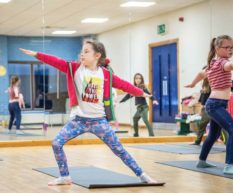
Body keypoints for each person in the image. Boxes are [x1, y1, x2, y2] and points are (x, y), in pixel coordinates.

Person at [20, 40, 157, 185]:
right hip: (78, 120)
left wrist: (142, 93)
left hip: (99, 121)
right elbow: (55, 61)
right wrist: (36, 54)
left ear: (97, 55)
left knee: (119, 150)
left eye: (86, 51)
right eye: (82, 51)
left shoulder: (105, 74)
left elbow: (124, 85)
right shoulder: (74, 68)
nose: (82, 54)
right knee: (56, 143)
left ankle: (142, 175)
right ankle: (65, 176)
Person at [185, 35, 233, 175]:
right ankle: (229, 166)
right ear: (217, 48)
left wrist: (193, 83)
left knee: (213, 135)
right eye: (227, 47)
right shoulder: (222, 63)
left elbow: (201, 73)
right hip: (216, 104)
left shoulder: (212, 64)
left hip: (215, 105)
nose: (231, 50)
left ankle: (202, 161)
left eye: (232, 47)